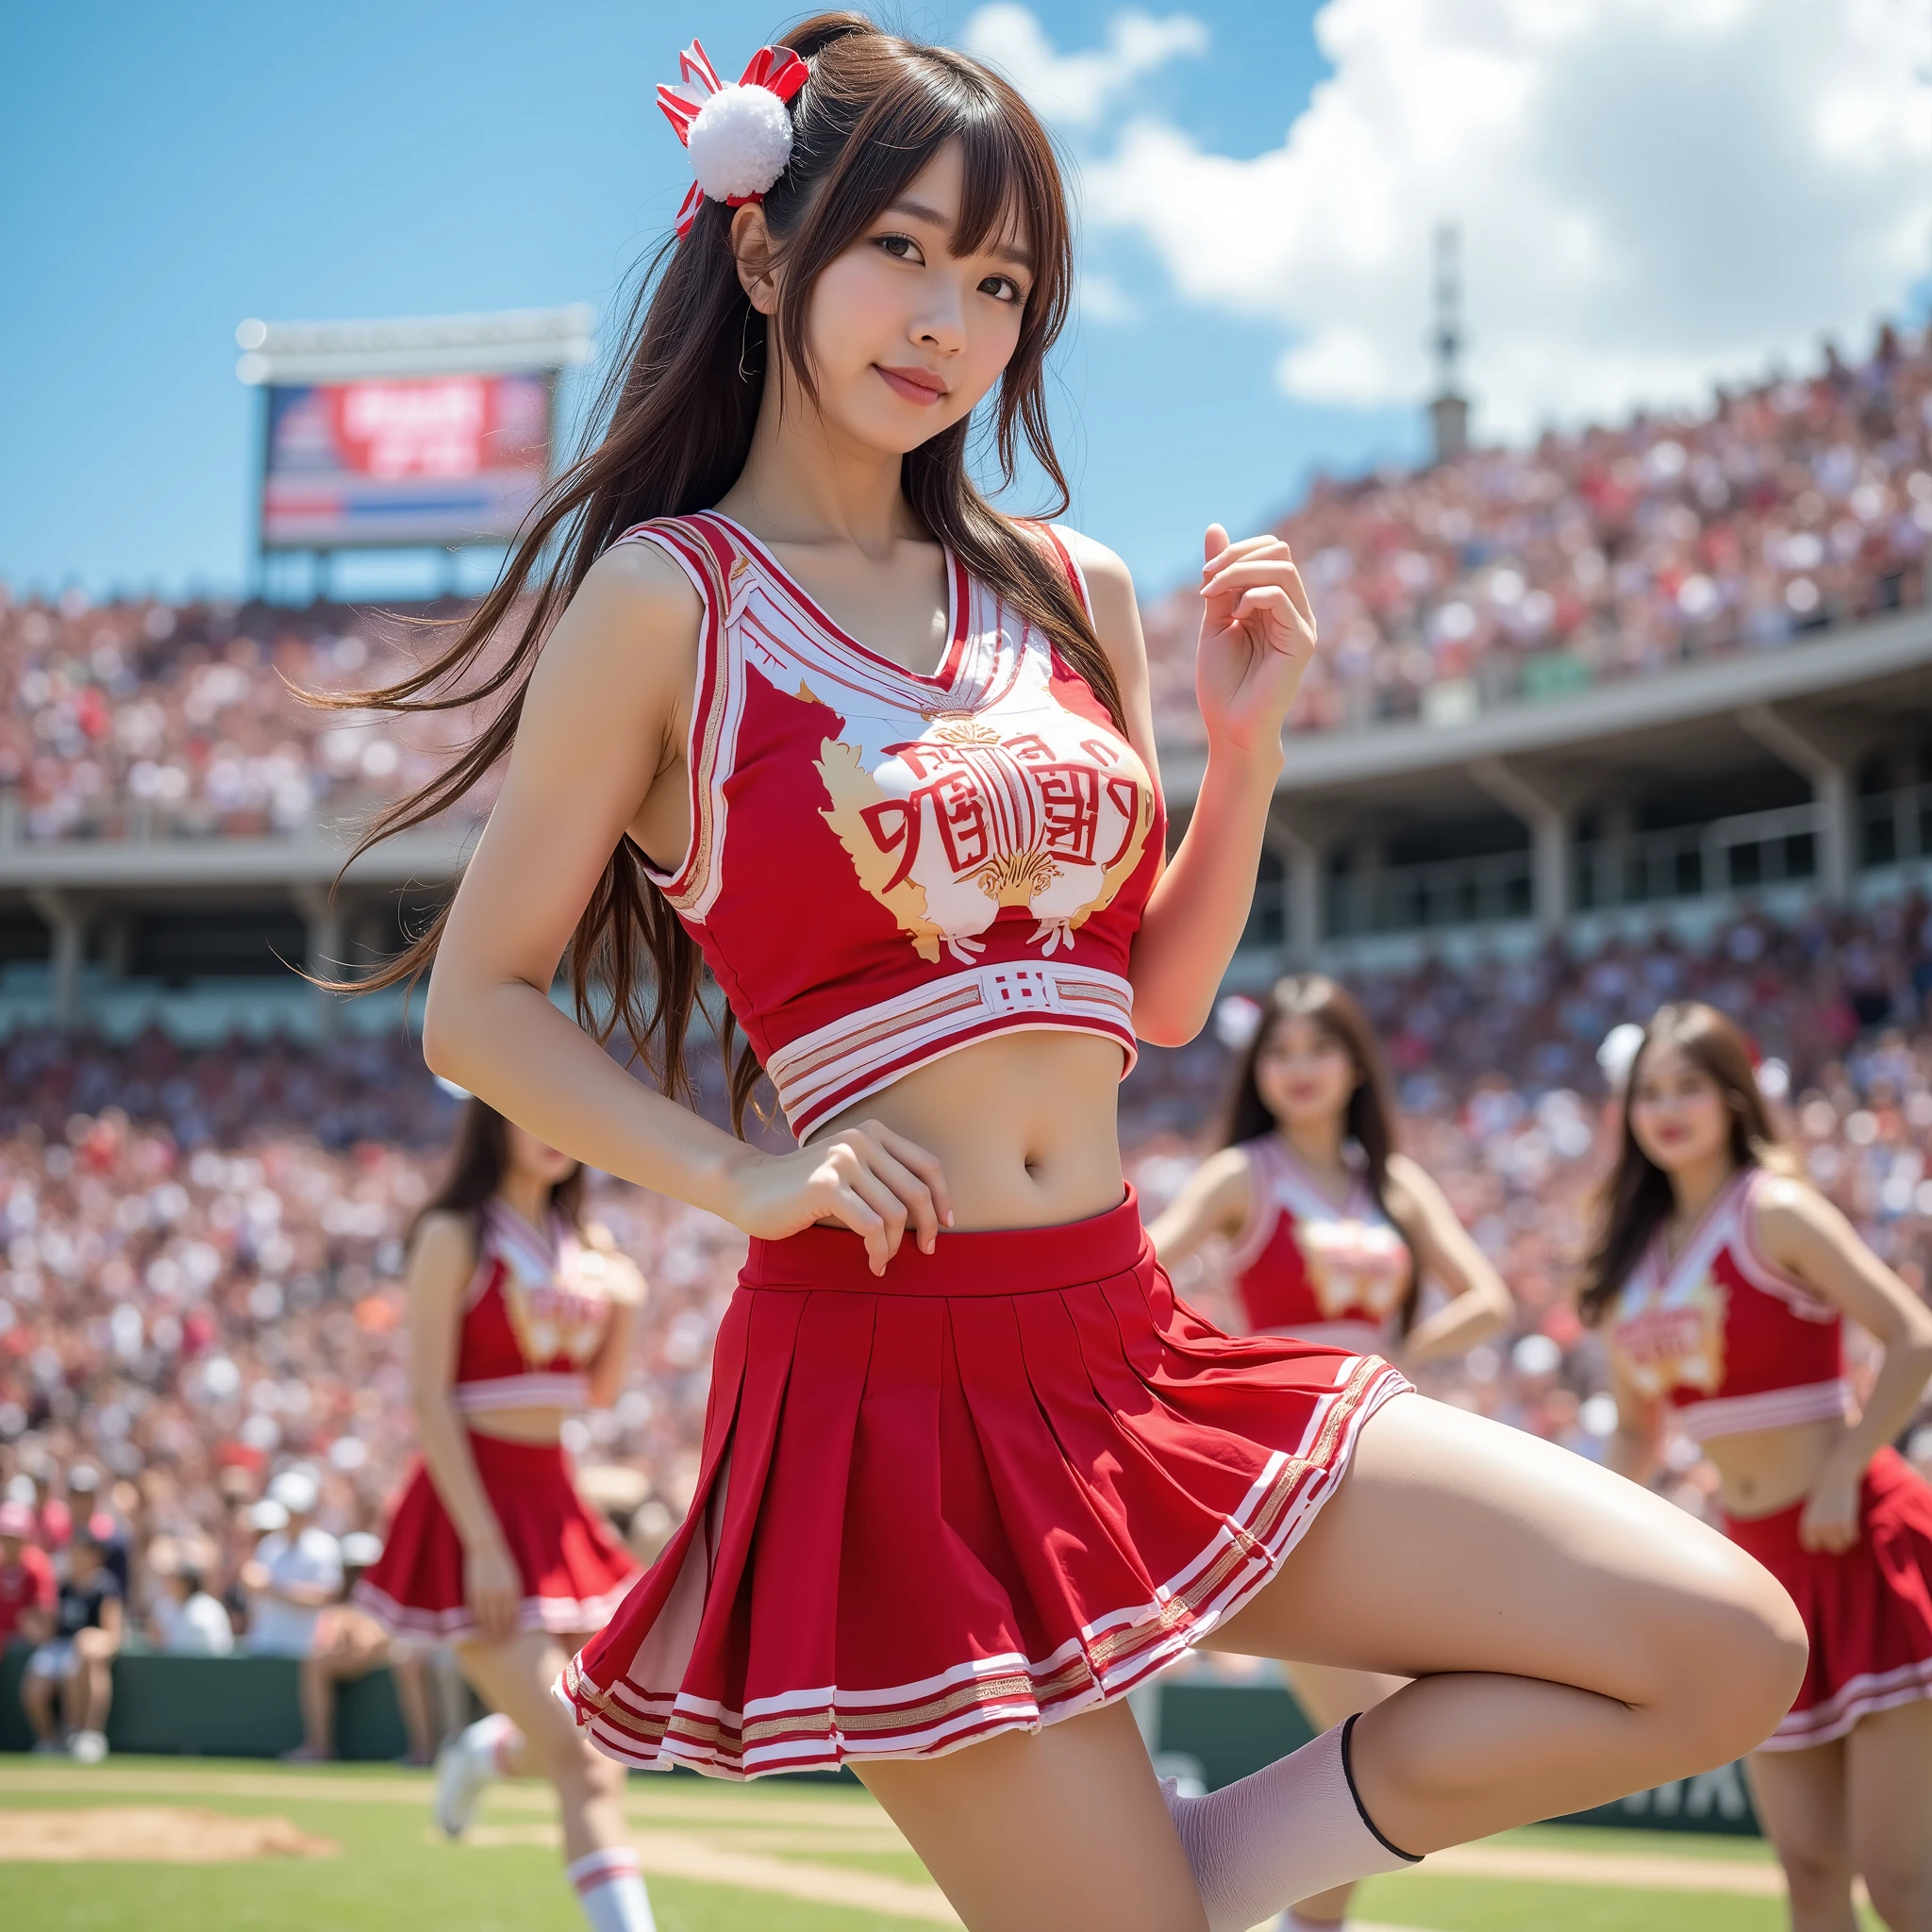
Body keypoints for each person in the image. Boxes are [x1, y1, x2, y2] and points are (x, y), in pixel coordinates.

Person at [333, 18, 1807, 1929]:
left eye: (1003, 279)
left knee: (1718, 1641)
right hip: (887, 1396)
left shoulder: (1070, 589)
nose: (949, 315)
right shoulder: (663, 602)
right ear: (764, 250)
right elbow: (480, 1006)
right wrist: (746, 1172)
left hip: (1129, 1337)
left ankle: (1193, 1890)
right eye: (904, 250)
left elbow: (1160, 1000)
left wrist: (1246, 747)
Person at [1148, 974, 1513, 1932]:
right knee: (1380, 1730)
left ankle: (1278, 1904)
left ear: (1354, 1063)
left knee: (1390, 1727)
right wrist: (1227, 1369)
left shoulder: (1391, 1183)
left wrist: (1395, 1352)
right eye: (1279, 1051)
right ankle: (1224, 1872)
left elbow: (1487, 1294)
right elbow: (1141, 1270)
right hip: (1282, 1478)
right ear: (1256, 1071)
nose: (1297, 1068)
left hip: (1382, 1463)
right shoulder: (1241, 1175)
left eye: (1317, 1048)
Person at [1584, 1001, 1932, 1932]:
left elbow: (1909, 1335)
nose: (1666, 1107)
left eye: (1688, 1084)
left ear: (1731, 1095)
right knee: (1809, 1872)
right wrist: (1578, 1532)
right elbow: (1634, 1432)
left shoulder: (1771, 1207)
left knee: (1902, 1888)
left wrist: (1848, 1463)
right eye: (1648, 1090)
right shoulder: (1634, 1265)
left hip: (1862, 1538)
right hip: (1759, 1577)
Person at [351, 1098, 647, 1932]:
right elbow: (428, 1399)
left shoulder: (588, 1249)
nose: (554, 1131)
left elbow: (596, 1393)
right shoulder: (456, 1234)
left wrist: (632, 1306)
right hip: (471, 1503)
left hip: (556, 1503)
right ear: (493, 1120)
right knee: (588, 1763)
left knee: (593, 1738)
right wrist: (480, 1541)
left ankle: (487, 1750)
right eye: (531, 1110)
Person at [289, 1532, 436, 1764]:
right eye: (353, 1569)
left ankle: (424, 1751)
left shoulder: (393, 1592)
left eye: (364, 1568)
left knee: (407, 1660)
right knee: (315, 1661)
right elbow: (327, 1639)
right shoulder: (339, 1606)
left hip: (389, 1653)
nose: (359, 1576)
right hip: (355, 1658)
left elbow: (392, 1633)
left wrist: (371, 1640)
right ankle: (319, 1746)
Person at [21, 1523, 123, 1761]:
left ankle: (86, 1735)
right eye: (73, 1550)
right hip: (60, 1647)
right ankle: (49, 1741)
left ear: (94, 1556)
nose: (75, 1556)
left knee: (82, 1652)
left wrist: (88, 1643)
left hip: (87, 1650)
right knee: (34, 1687)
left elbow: (113, 1633)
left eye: (81, 1551)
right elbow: (51, 1628)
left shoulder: (105, 1586)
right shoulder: (63, 1585)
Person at [241, 1472, 342, 1658]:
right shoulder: (269, 1545)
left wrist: (273, 1588)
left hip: (303, 1651)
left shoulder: (324, 1547)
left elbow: (325, 1596)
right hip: (264, 1646)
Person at [147, 1542, 236, 1656]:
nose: (168, 1583)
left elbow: (216, 1654)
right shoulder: (164, 1607)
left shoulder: (208, 1610)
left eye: (174, 1578)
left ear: (186, 1582)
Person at [0, 1499, 56, 1654]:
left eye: (16, 1538)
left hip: (28, 1648)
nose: (11, 1543)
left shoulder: (38, 1565)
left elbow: (45, 1617)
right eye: (6, 1537)